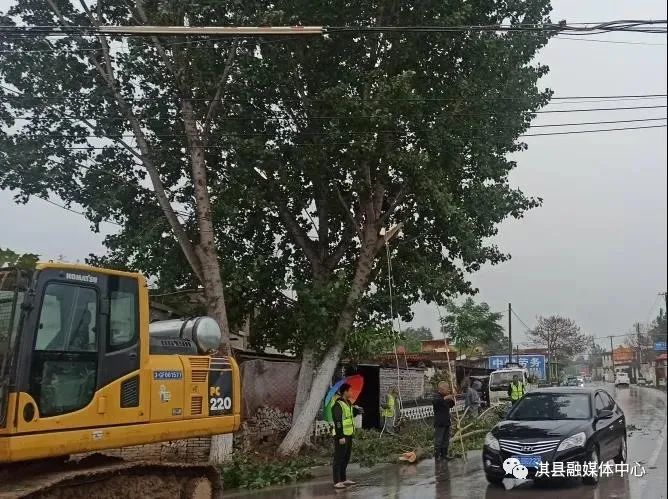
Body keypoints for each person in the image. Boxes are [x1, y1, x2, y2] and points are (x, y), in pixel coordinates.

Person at [331, 383, 363, 489]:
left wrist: (357, 411)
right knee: (338, 458)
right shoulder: (337, 405)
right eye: (350, 391)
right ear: (345, 392)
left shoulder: (348, 403)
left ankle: (343, 479)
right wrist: (340, 437)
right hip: (341, 435)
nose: (352, 392)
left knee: (346, 457)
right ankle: (336, 481)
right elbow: (338, 421)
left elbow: (349, 415)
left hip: (349, 434)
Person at [432, 381, 456, 461]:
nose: (448, 390)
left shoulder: (445, 397)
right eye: (447, 388)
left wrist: (452, 397)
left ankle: (444, 455)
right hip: (439, 422)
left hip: (446, 421)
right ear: (442, 388)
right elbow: (436, 402)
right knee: (439, 440)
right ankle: (437, 456)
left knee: (446, 440)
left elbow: (451, 405)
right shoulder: (436, 396)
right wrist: (446, 397)